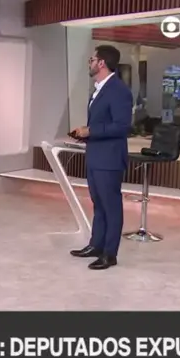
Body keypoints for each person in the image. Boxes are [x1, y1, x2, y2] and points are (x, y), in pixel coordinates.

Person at [69, 45, 133, 270]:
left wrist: (91, 131)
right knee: (99, 205)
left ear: (102, 63)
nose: (90, 63)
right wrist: (86, 135)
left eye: (92, 59)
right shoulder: (99, 89)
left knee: (111, 206)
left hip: (109, 159)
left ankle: (109, 254)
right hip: (96, 156)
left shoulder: (118, 90)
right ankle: (96, 245)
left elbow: (122, 126)